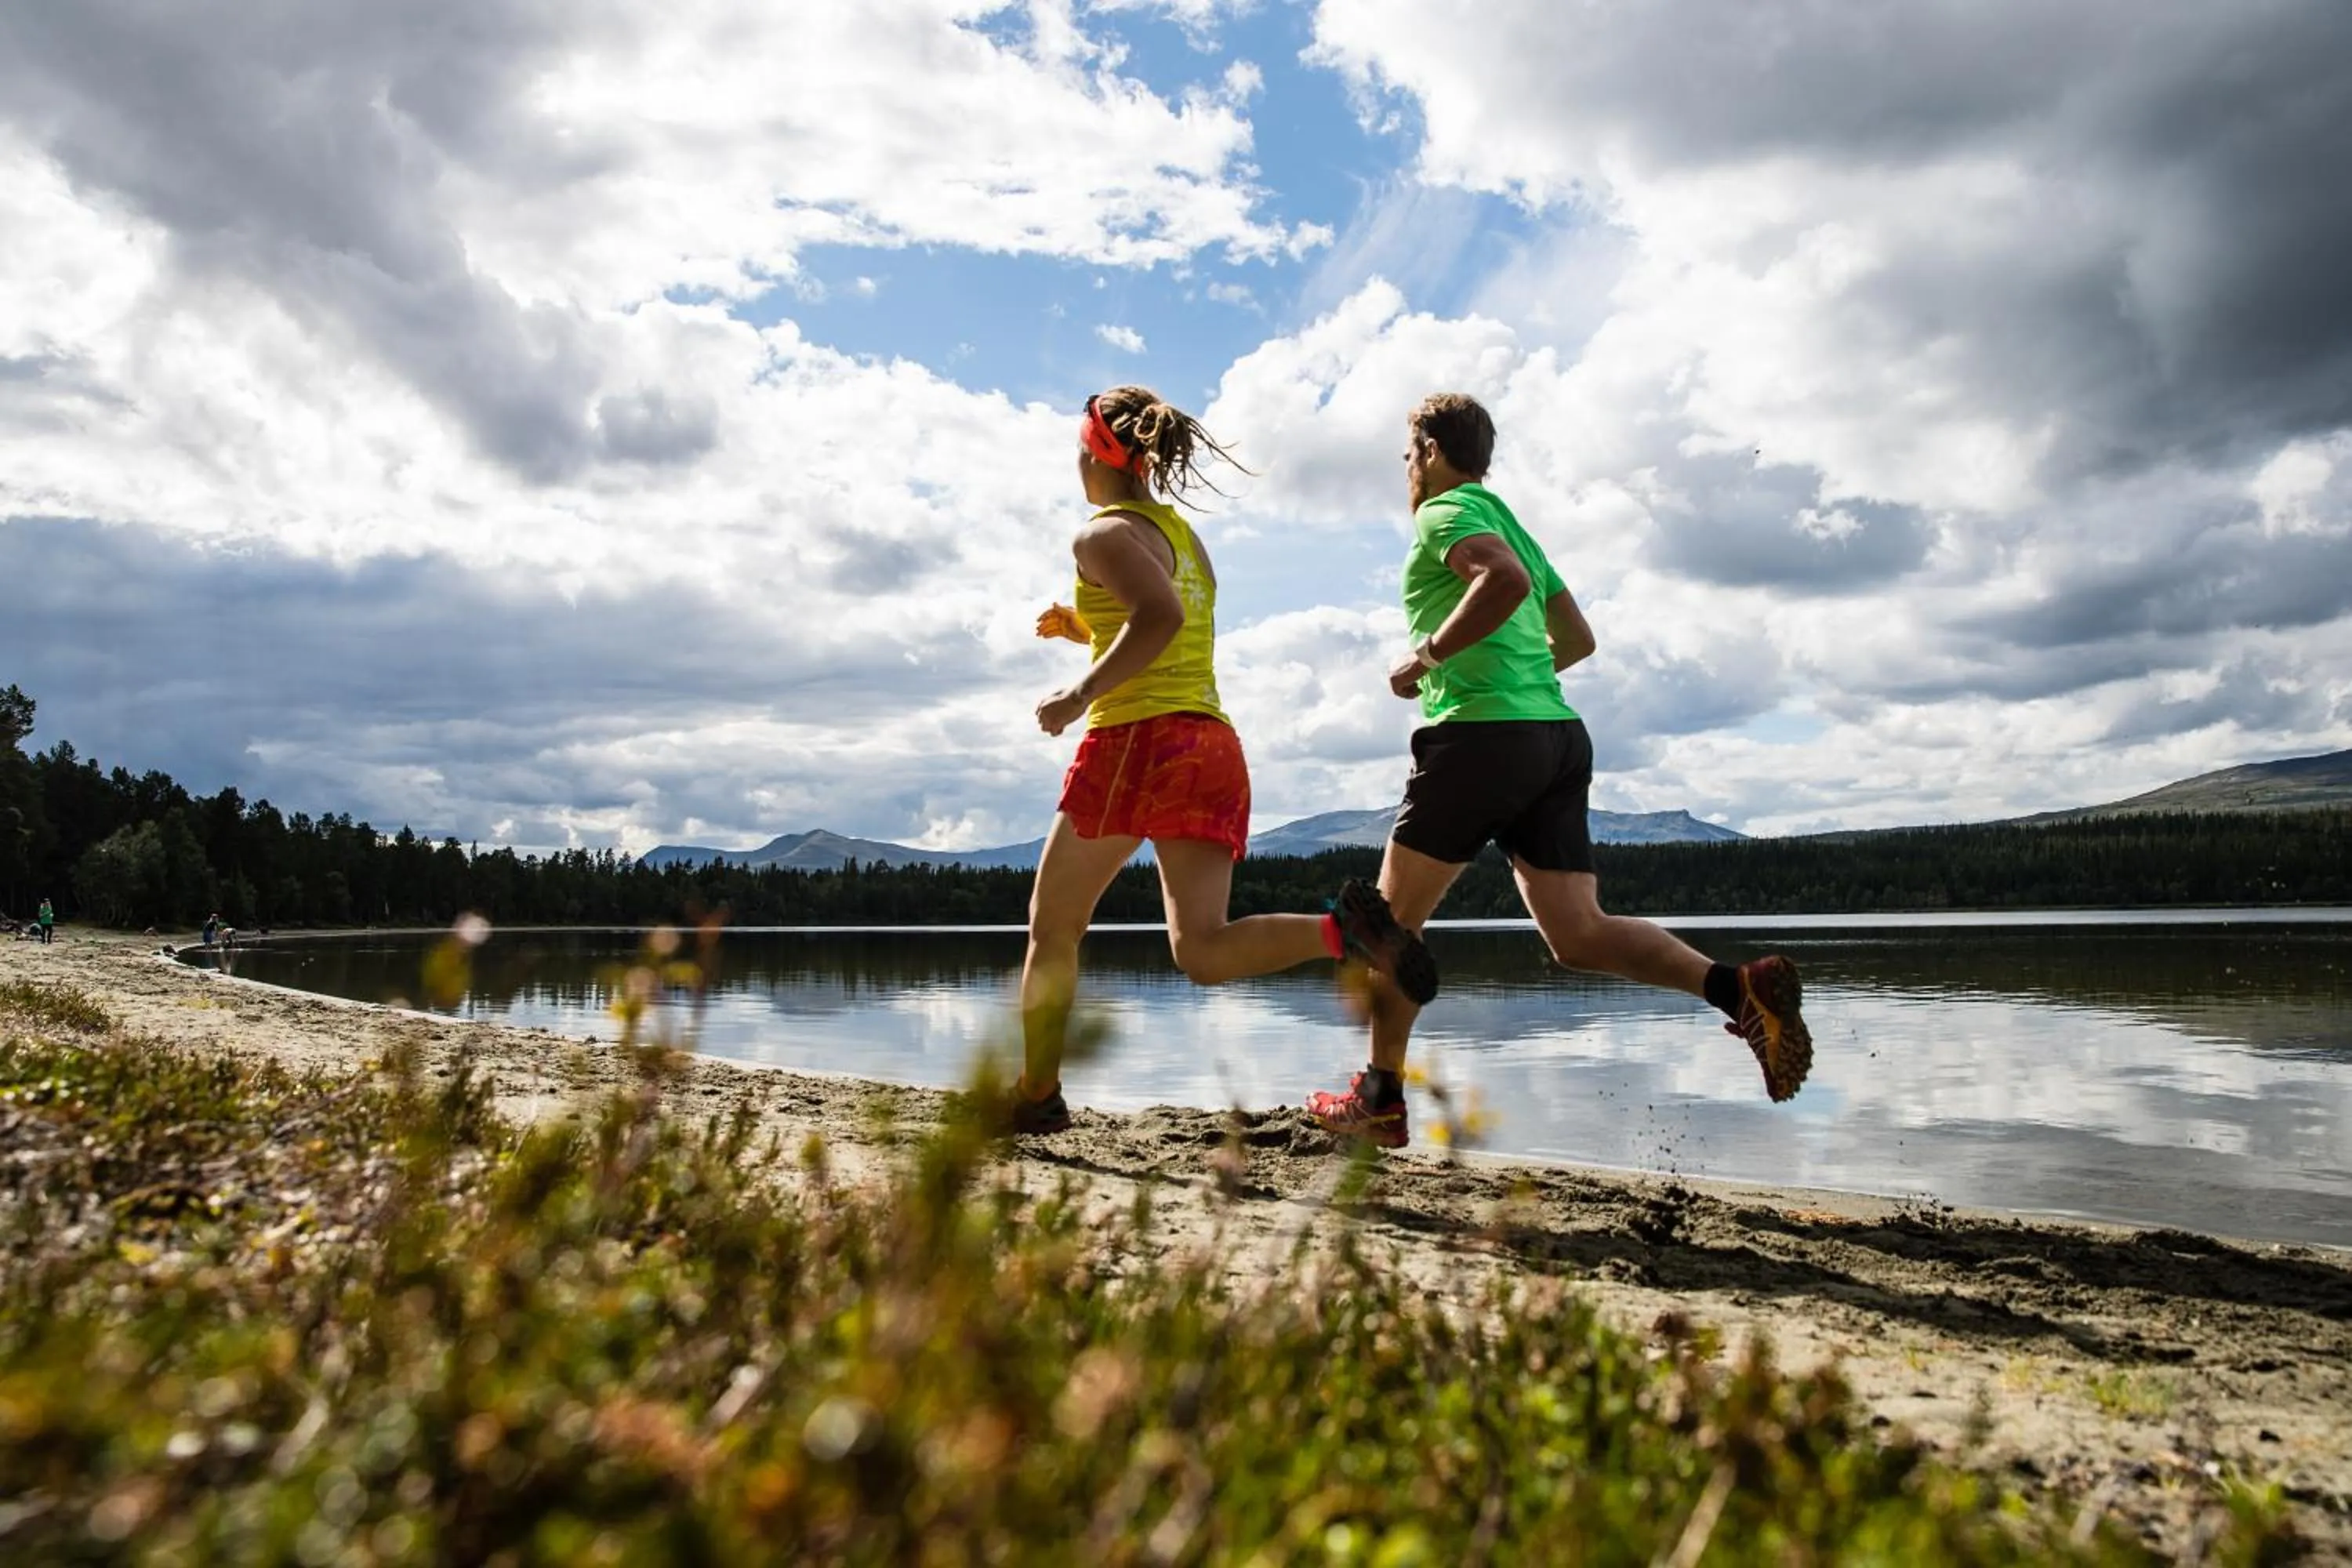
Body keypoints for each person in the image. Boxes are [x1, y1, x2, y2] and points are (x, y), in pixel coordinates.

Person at [1306, 393, 1813, 1149]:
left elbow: (1503, 582)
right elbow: (1574, 637)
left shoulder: (1446, 513)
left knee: (1390, 927)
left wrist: (1430, 657)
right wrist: (1517, 675)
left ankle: (1378, 1100)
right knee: (1577, 933)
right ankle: (1734, 987)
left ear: (1435, 453)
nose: (1407, 473)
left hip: (1479, 738)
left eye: (1409, 457)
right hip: (1555, 737)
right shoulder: (1515, 523)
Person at [1016, 384, 1438, 1134]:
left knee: (1053, 926)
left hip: (1135, 745)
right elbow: (1165, 634)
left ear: (1096, 451)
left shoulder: (1099, 537)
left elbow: (1159, 618)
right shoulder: (1180, 537)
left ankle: (1037, 1096)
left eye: (1076, 446)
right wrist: (1086, 627)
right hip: (1208, 744)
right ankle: (1341, 931)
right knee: (1202, 952)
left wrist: (1078, 693)